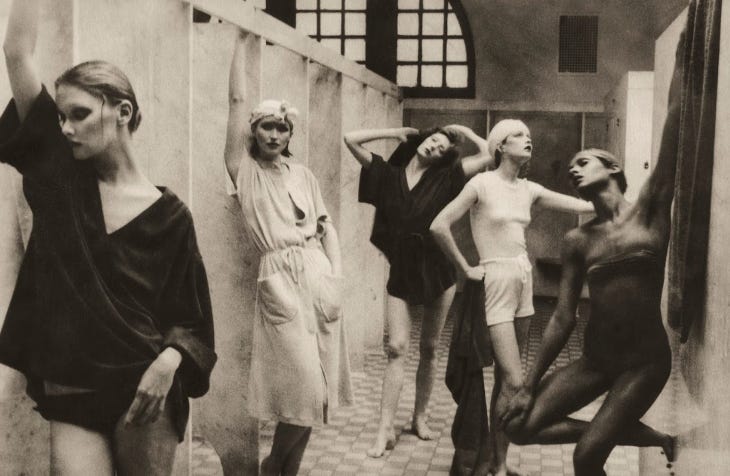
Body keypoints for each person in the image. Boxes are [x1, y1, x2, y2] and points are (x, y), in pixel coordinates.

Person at [0, 1, 217, 475]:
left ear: (123, 111)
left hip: (144, 386)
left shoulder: (173, 216)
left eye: (78, 114)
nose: (66, 128)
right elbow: (16, 50)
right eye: (59, 117)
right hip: (72, 383)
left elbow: (193, 320)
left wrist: (168, 363)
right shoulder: (59, 177)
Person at [499, 34, 685, 476]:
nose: (573, 169)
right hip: (595, 360)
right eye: (570, 169)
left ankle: (611, 433)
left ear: (614, 168)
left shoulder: (650, 210)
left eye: (583, 162)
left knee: (587, 458)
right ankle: (649, 436)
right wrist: (527, 385)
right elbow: (562, 318)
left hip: (644, 361)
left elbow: (675, 128)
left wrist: (684, 59)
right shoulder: (578, 241)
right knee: (519, 427)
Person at [430, 119, 593, 476]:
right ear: (500, 145)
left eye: (529, 135)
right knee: (516, 381)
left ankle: (498, 464)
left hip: (523, 277)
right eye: (519, 135)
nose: (528, 139)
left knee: (507, 382)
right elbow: (439, 224)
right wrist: (466, 268)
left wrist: (615, 196)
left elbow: (582, 207)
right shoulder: (481, 184)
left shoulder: (529, 189)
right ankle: (489, 459)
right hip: (495, 278)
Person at [224, 31, 352, 476]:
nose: (275, 134)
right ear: (253, 132)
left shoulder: (303, 174)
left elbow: (325, 226)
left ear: (289, 133)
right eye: (267, 126)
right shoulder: (244, 173)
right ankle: (272, 465)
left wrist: (335, 274)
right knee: (302, 386)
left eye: (282, 127)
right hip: (279, 277)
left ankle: (283, 471)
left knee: (319, 394)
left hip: (316, 274)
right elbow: (237, 99)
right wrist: (240, 41)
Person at [344, 122, 492, 457]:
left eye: (441, 149)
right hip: (403, 268)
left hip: (439, 268)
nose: (435, 148)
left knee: (429, 346)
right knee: (396, 348)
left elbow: (487, 155)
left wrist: (463, 133)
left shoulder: (448, 176)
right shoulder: (388, 173)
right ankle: (384, 429)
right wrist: (392, 132)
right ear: (422, 141)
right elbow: (350, 139)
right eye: (433, 142)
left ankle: (420, 417)